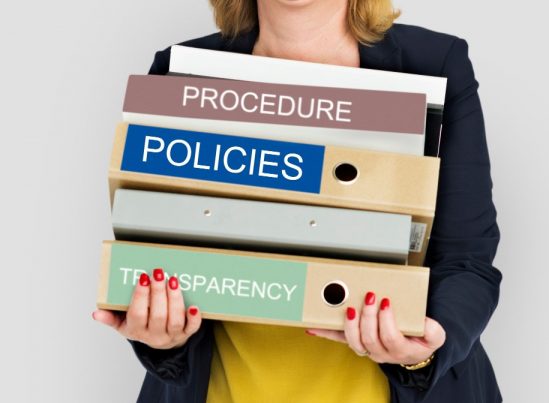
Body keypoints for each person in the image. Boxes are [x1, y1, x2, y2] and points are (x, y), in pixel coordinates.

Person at [93, 0, 503, 402]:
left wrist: (425, 349)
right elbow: (154, 253)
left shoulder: (435, 65)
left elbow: (467, 261)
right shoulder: (180, 70)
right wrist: (162, 334)